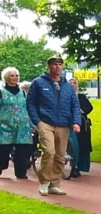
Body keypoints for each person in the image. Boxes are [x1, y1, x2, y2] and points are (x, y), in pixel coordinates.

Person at [26, 56, 81, 196]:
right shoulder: (38, 83)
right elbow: (30, 103)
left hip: (63, 123)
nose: (57, 67)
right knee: (49, 151)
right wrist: (37, 121)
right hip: (45, 122)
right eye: (54, 64)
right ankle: (44, 182)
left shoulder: (68, 86)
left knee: (60, 155)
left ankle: (54, 184)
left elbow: (75, 105)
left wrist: (76, 122)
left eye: (59, 64)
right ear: (49, 66)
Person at [0, 67, 34, 180]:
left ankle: (21, 173)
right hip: (5, 126)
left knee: (22, 151)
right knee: (3, 150)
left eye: (16, 75)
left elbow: (28, 108)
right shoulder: (1, 92)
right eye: (12, 75)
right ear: (6, 78)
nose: (15, 78)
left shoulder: (23, 93)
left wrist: (32, 125)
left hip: (22, 127)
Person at [68, 77, 93, 176]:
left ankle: (81, 166)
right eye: (70, 83)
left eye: (74, 83)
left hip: (82, 125)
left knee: (83, 145)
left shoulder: (81, 97)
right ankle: (74, 166)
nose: (72, 84)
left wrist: (81, 111)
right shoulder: (64, 96)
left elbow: (89, 107)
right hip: (69, 123)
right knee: (74, 145)